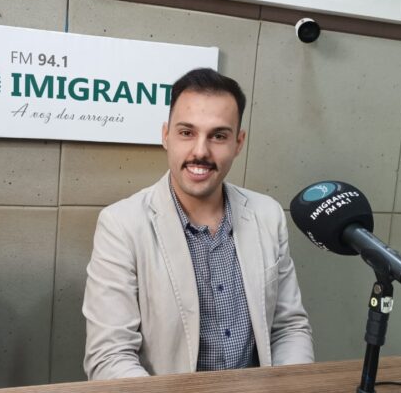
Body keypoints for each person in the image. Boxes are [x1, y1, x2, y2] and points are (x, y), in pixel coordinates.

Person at [82, 68, 313, 380]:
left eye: (218, 136)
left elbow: (289, 328)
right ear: (166, 135)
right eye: (187, 133)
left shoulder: (267, 215)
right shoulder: (121, 225)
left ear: (238, 143)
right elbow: (110, 356)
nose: (201, 151)